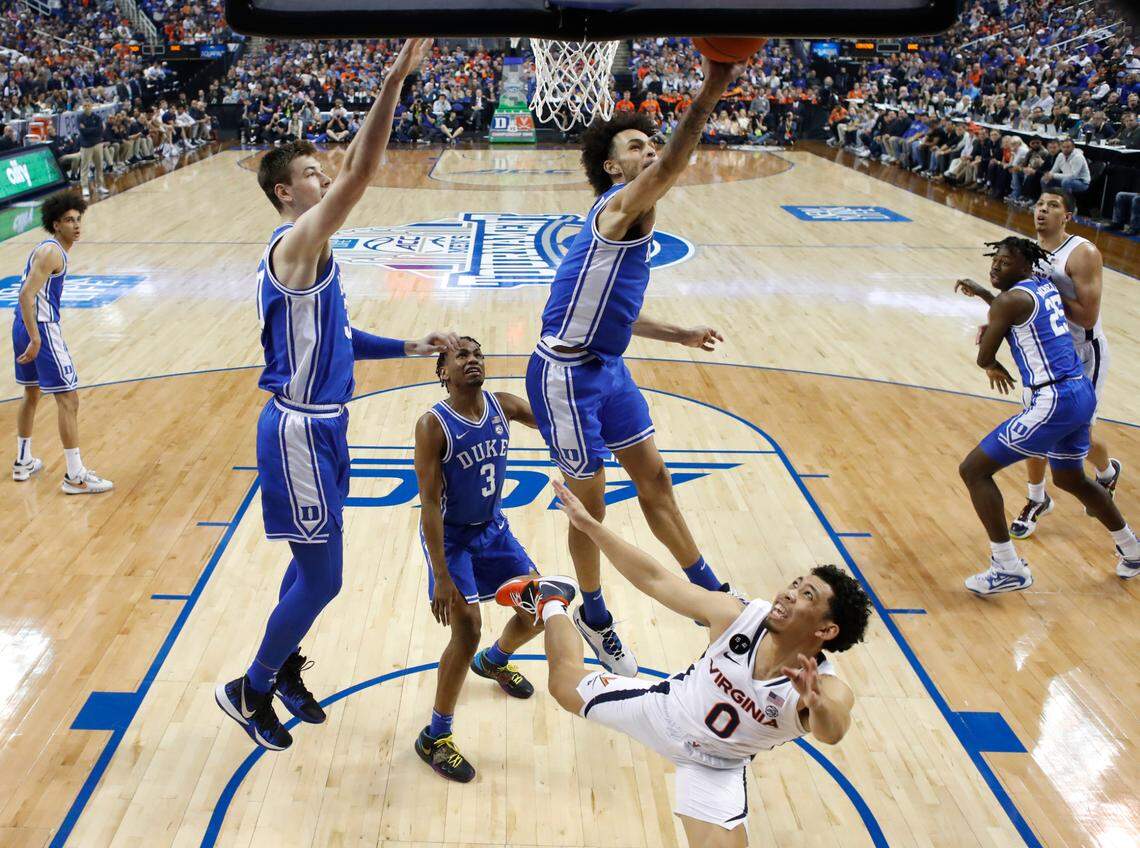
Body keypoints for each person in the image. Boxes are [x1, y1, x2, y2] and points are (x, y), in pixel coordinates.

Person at [214, 38, 459, 752]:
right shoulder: (296, 244)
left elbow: (342, 336)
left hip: (323, 429)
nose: (325, 180)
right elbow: (360, 171)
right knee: (325, 581)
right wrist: (393, 79)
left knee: (308, 569)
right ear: (286, 194)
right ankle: (250, 687)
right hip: (298, 432)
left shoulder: (312, 253)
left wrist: (409, 347)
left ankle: (282, 663)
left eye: (322, 172)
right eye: (311, 175)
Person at [496, 480, 871, 847]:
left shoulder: (824, 686)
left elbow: (833, 730)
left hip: (715, 766)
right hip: (664, 710)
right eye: (795, 584)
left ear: (827, 629)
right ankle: (552, 599)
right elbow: (655, 579)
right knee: (562, 683)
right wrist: (591, 527)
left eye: (807, 595)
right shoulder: (737, 616)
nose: (789, 593)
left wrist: (818, 704)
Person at [524, 55, 742, 678]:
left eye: (651, 142)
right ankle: (594, 613)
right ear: (614, 168)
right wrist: (712, 87)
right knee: (590, 509)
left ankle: (711, 596)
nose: (650, 151)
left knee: (656, 480)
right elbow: (673, 166)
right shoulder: (618, 208)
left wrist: (679, 332)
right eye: (636, 146)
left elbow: (613, 313)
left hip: (607, 368)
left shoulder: (630, 226)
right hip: (565, 376)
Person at [954, 237, 1140, 594]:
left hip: (1053, 399)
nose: (996, 266)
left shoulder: (1009, 302)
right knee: (1071, 478)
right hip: (1079, 392)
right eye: (995, 260)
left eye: (1005, 262)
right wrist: (985, 295)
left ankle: (1007, 567)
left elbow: (985, 355)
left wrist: (991, 363)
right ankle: (1132, 548)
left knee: (973, 470)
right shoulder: (1041, 286)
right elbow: (1014, 313)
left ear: (1025, 266)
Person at [412, 337, 545, 782]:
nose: (473, 360)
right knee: (466, 630)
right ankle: (435, 737)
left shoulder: (502, 405)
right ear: (442, 372)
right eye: (461, 355)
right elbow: (430, 504)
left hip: (492, 528)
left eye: (478, 354)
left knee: (539, 609)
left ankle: (495, 660)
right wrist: (441, 575)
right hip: (450, 538)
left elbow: (552, 421)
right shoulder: (433, 425)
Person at [1002, 192, 1119, 538]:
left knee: (1075, 434)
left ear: (1067, 215)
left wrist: (1046, 290)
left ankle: (1107, 471)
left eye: (1053, 205)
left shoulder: (1083, 253)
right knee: (1036, 424)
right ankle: (1036, 498)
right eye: (1040, 204)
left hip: (1083, 353)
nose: (1043, 210)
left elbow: (1087, 316)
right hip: (1046, 351)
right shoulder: (1029, 251)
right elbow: (1020, 301)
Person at [12, 190, 113, 494]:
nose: (76, 225)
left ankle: (23, 460)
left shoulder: (48, 249)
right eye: (69, 220)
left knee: (31, 393)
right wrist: (35, 338)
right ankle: (75, 476)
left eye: (78, 219)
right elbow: (26, 295)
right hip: (40, 328)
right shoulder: (53, 252)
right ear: (56, 224)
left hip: (22, 324)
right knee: (69, 400)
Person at [76, 102, 108, 198]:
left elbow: (100, 129)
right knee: (85, 167)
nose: (87, 107)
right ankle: (85, 187)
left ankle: (100, 186)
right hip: (86, 146)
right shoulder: (79, 118)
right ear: (83, 107)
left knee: (99, 166)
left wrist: (88, 129)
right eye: (85, 105)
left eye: (88, 105)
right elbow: (83, 131)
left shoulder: (97, 117)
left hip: (97, 144)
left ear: (91, 106)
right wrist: (94, 130)